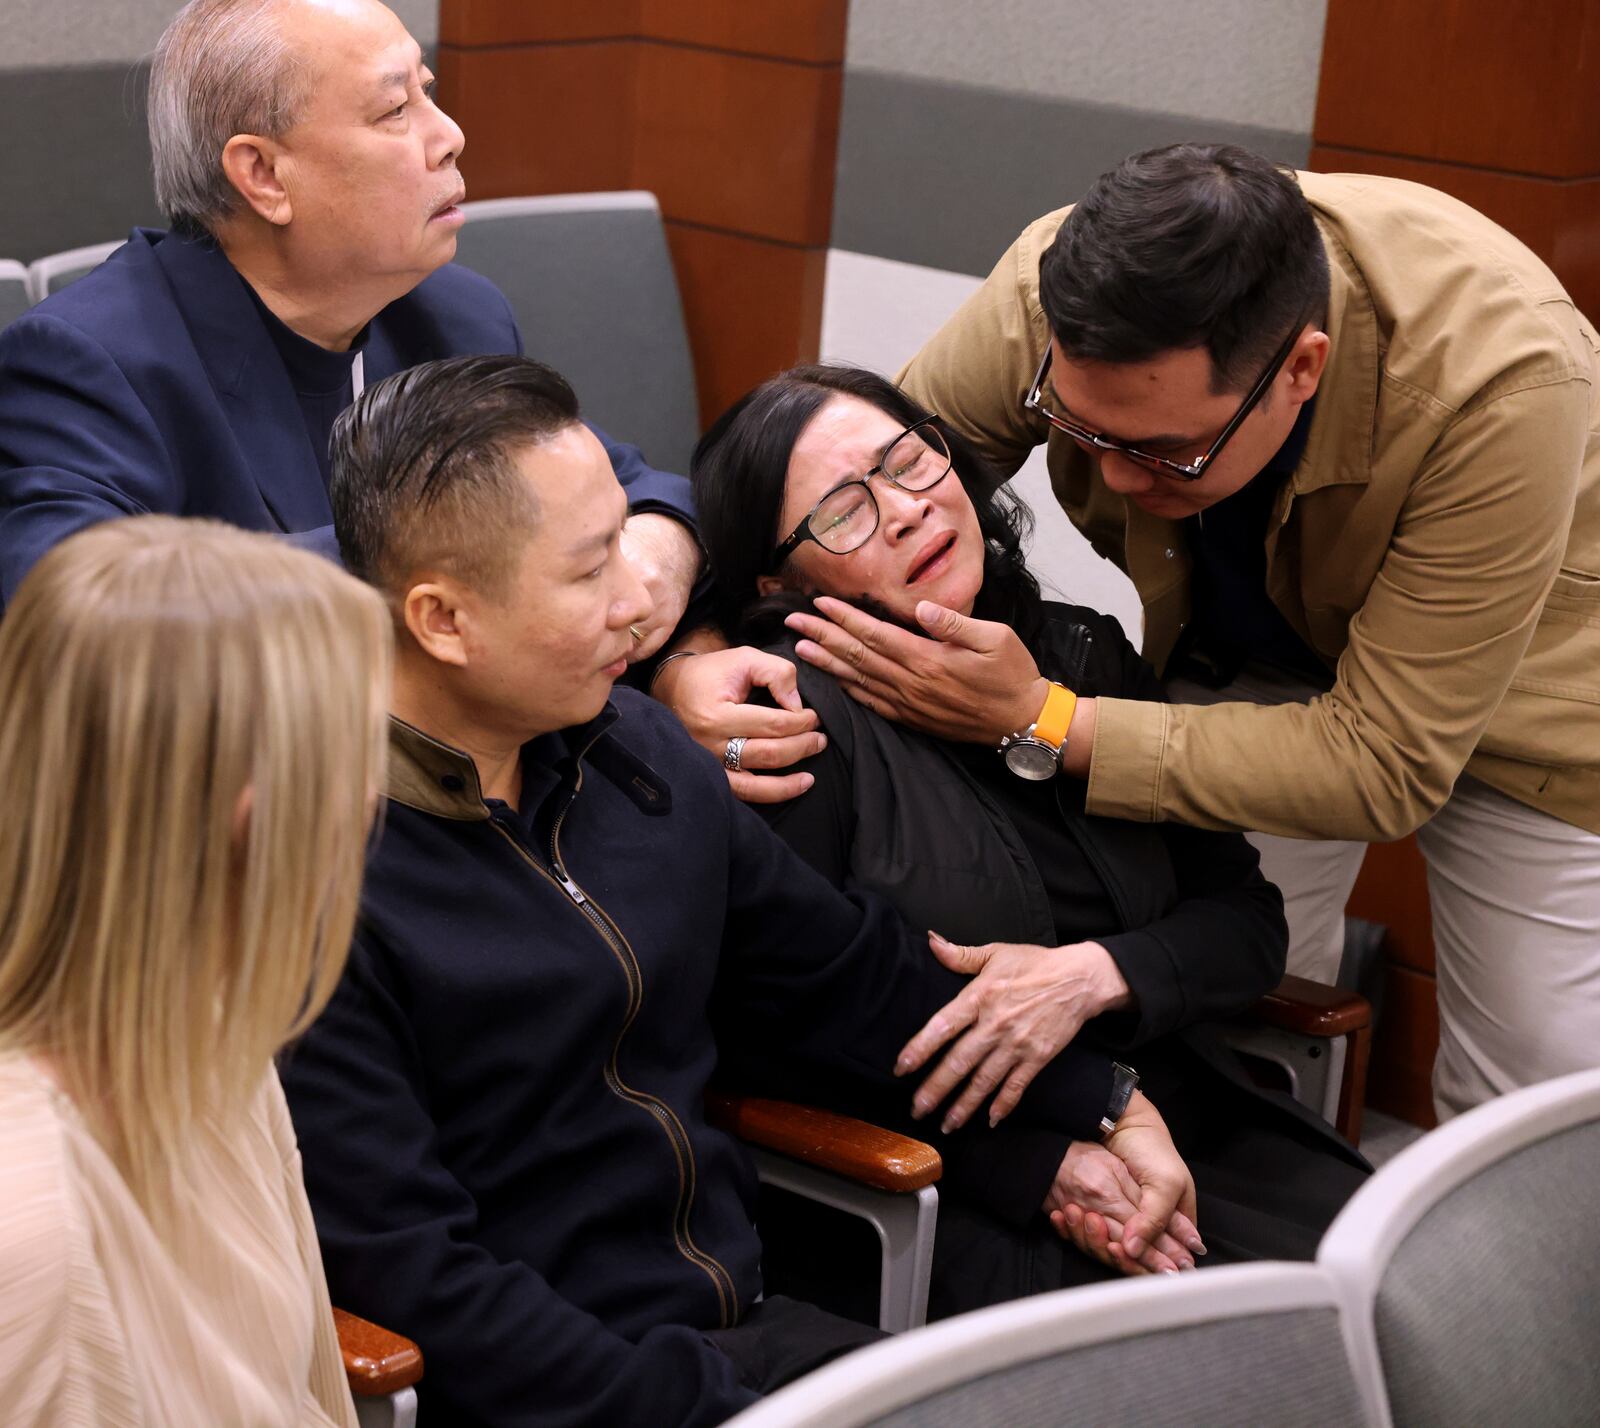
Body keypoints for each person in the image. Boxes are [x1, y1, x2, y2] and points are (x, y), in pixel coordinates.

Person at [279, 354, 1208, 1428]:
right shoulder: (317, 881)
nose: (646, 606)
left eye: (629, 548)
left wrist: (1101, 1101)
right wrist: (716, 1403)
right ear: (443, 621)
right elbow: (418, 1283)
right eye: (590, 576)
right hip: (550, 1396)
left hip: (735, 1335)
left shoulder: (630, 750)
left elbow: (853, 977)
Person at [664, 144, 1600, 1121]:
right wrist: (684, 656)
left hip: (1521, 699)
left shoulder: (1501, 378)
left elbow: (1383, 761)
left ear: (1301, 370)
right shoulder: (1049, 293)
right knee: (1230, 1012)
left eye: (1159, 451)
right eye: (1081, 430)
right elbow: (795, 489)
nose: (1110, 483)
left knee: (1533, 1093)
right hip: (1242, 653)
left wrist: (1041, 720)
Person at [689, 362, 1369, 1313]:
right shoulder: (795, 724)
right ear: (781, 578)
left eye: (907, 463)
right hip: (962, 1179)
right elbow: (786, 1029)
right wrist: (1041, 1161)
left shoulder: (1080, 653)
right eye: (843, 511)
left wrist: (1103, 972)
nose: (904, 512)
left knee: (1437, 1289)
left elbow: (1249, 920)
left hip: (1188, 1109)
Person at [0, 0, 699, 655]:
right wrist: (460, 558)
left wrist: (652, 590)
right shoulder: (90, 361)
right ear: (264, 175)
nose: (450, 137)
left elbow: (635, 489)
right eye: (396, 108)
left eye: (428, 92)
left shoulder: (451, 315)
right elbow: (70, 618)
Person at [0, 517, 392, 1426]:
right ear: (256, 821)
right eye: (358, 752)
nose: (374, 794)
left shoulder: (212, 1038)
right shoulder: (34, 1236)